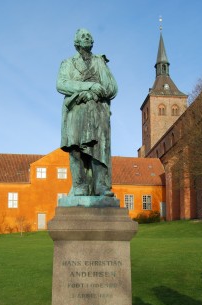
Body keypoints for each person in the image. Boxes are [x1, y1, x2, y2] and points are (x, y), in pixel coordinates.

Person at [57, 28, 118, 197]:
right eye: (83, 36)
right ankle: (79, 186)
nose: (87, 38)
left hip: (97, 111)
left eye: (89, 36)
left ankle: (101, 186)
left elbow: (112, 88)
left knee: (98, 148)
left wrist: (99, 90)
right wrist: (88, 86)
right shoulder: (67, 63)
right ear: (76, 42)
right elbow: (61, 84)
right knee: (75, 148)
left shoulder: (99, 62)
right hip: (76, 110)